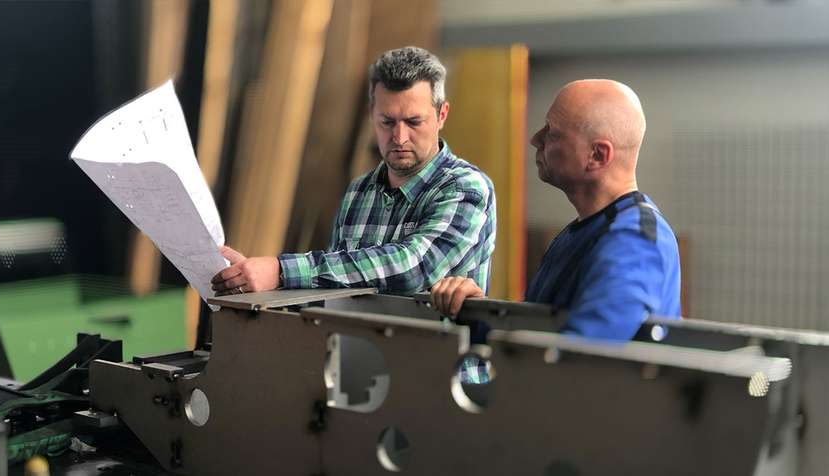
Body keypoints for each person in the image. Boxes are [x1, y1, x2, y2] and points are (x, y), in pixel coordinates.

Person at [212, 46, 496, 297]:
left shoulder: (465, 188)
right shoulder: (360, 191)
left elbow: (414, 267)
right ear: (372, 115)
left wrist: (280, 271)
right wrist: (254, 276)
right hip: (361, 356)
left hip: (439, 358)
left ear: (441, 115)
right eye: (387, 122)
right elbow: (336, 283)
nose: (399, 137)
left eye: (413, 121)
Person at [430, 79, 681, 340]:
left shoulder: (634, 242)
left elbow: (580, 357)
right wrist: (476, 313)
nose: (535, 139)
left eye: (552, 132)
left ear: (597, 155)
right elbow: (539, 333)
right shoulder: (578, 233)